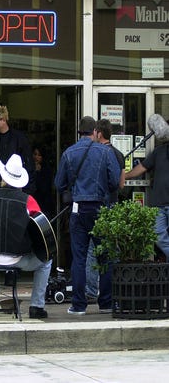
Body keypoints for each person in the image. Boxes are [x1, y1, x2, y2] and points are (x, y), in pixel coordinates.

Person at [0, 154, 51, 319]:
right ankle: (36, 306)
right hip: (18, 258)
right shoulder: (29, 201)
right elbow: (40, 231)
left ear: (3, 177)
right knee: (46, 261)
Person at [55, 116, 120, 315]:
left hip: (78, 209)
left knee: (79, 258)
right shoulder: (105, 152)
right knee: (105, 258)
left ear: (79, 132)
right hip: (101, 208)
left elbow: (59, 184)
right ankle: (106, 303)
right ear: (95, 132)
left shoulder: (69, 153)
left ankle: (79, 305)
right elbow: (115, 181)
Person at [85, 119, 126, 300]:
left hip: (98, 205)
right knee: (111, 250)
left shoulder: (95, 154)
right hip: (113, 207)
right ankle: (112, 289)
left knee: (93, 249)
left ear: (99, 133)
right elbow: (121, 184)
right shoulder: (118, 154)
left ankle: (92, 290)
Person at [125, 128, 169, 262]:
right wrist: (125, 176)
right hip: (159, 204)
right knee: (157, 234)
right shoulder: (159, 151)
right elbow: (142, 167)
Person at [32, 146, 55, 218]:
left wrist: (38, 173)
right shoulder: (29, 168)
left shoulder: (47, 170)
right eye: (35, 154)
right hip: (33, 202)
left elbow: (44, 188)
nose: (36, 157)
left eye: (39, 155)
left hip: (44, 204)